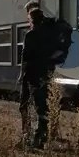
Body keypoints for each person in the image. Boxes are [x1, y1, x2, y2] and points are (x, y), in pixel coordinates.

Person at [17, 8, 61, 149]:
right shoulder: (50, 35)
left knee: (24, 106)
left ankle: (27, 136)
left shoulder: (30, 35)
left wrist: (21, 75)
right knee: (42, 108)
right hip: (45, 75)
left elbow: (25, 57)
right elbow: (56, 54)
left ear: (31, 19)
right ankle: (40, 138)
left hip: (30, 75)